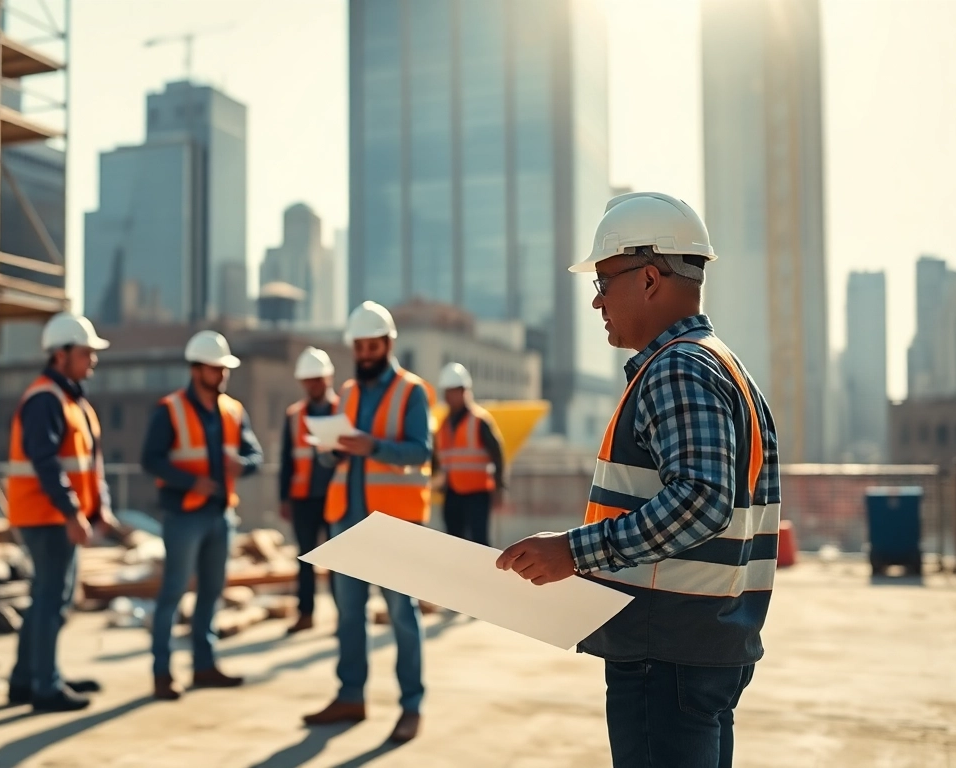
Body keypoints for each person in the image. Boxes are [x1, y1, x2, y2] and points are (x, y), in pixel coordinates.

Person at [495, 192, 780, 768]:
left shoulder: (676, 369)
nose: (597, 301)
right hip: (700, 643)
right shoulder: (720, 364)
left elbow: (702, 500)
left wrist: (573, 552)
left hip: (665, 650)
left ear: (649, 279)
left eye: (603, 281)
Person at [303, 301, 435, 744]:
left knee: (401, 616)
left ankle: (411, 706)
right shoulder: (350, 391)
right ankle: (350, 694)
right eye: (358, 346)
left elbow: (420, 452)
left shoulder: (411, 391)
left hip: (393, 525)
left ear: (388, 344)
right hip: (348, 522)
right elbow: (346, 449)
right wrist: (330, 448)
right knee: (348, 616)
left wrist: (371, 446)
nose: (364, 353)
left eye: (371, 345)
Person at [5, 312, 119, 712]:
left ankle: (26, 679)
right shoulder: (45, 399)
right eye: (86, 352)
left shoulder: (72, 402)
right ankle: (45, 686)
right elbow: (45, 461)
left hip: (55, 515)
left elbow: (89, 464)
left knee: (46, 599)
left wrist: (99, 508)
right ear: (61, 354)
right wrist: (73, 513)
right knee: (53, 600)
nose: (93, 360)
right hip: (45, 516)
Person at [141, 329, 263, 701]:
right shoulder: (170, 409)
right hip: (183, 515)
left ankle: (204, 665)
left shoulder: (233, 410)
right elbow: (151, 460)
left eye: (225, 369)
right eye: (216, 369)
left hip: (221, 514)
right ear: (197, 370)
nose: (223, 375)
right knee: (173, 593)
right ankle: (162, 673)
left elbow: (254, 457)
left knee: (211, 592)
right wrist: (190, 482)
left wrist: (239, 465)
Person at [279, 346, 339, 634]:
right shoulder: (294, 416)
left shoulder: (343, 411)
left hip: (336, 497)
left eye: (318, 378)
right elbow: (286, 459)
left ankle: (345, 616)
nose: (314, 384)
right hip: (304, 498)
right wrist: (284, 497)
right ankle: (306, 614)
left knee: (340, 561)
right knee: (305, 557)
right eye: (309, 379)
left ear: (328, 378)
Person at [433, 362, 507, 546]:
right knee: (454, 542)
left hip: (477, 495)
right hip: (452, 494)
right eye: (447, 391)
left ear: (464, 391)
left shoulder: (479, 420)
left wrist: (500, 486)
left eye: (454, 391)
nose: (450, 396)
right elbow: (439, 459)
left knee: (480, 544)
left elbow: (497, 453)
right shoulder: (442, 425)